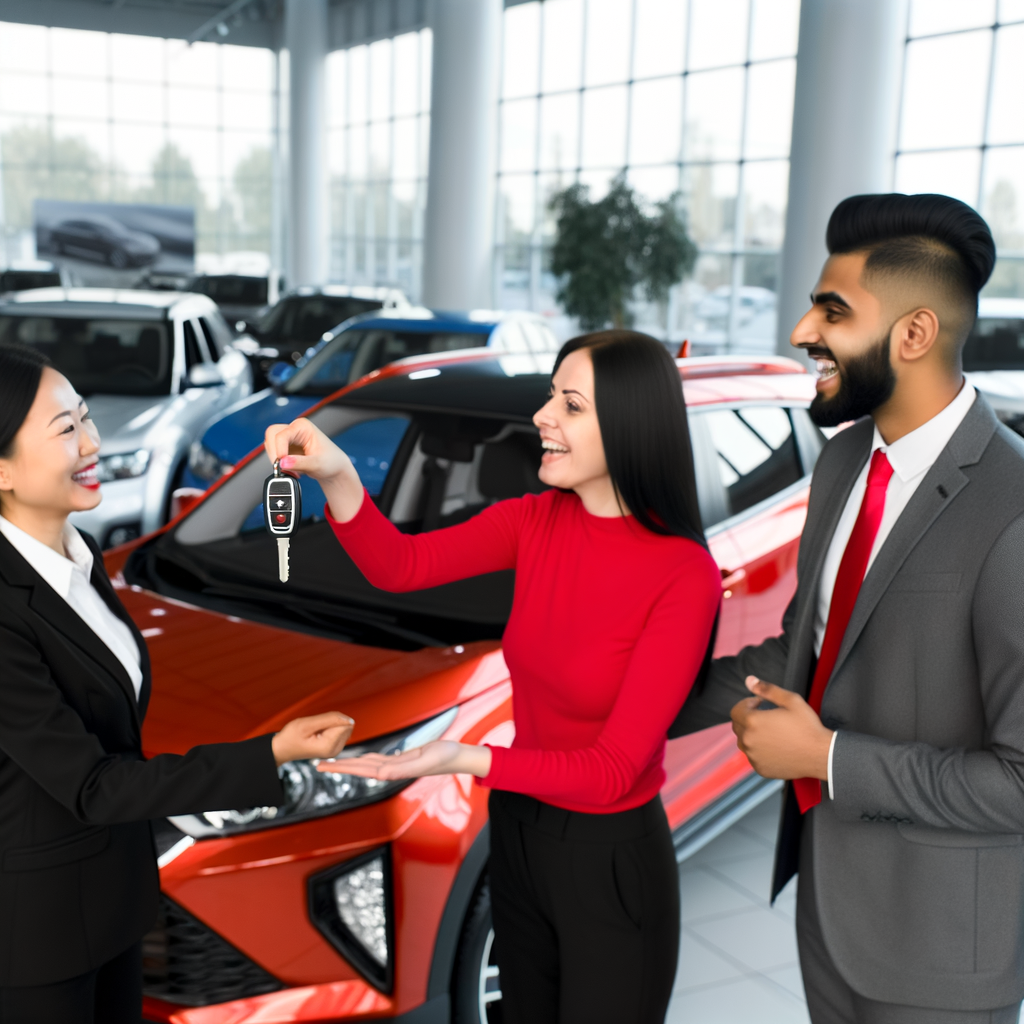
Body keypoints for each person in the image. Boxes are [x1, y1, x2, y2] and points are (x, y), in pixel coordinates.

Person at [264, 330, 721, 1024]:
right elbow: (401, 568)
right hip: (517, 833)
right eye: (550, 398)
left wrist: (465, 756)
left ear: (629, 426)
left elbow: (613, 770)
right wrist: (335, 474)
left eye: (570, 405)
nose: (542, 418)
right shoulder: (533, 520)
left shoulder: (682, 575)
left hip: (607, 860)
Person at [673, 193, 1024, 1023]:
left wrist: (827, 758)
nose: (801, 332)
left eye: (831, 311)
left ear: (914, 334)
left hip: (942, 958)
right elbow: (807, 647)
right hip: (828, 913)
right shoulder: (841, 464)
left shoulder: (1013, 508)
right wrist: (632, 701)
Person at [0, 344, 354, 1024]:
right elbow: (94, 784)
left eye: (85, 417)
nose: (94, 442)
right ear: (3, 469)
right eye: (65, 429)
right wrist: (269, 755)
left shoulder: (77, 561)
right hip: (37, 942)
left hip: (111, 912)